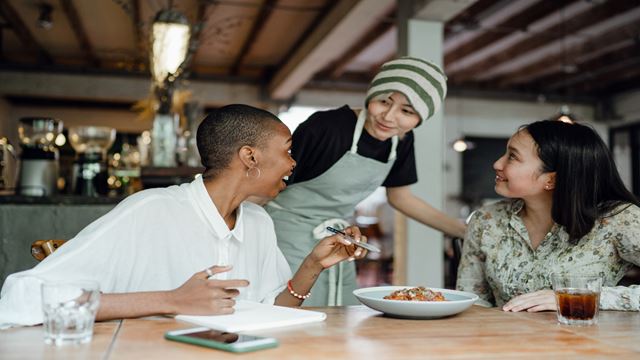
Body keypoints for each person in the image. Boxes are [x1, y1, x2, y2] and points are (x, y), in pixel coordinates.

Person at [0, 104, 367, 328]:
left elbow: (271, 313)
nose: (293, 163)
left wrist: (313, 266)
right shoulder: (151, 210)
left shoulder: (258, 222)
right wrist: (170, 300)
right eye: (288, 151)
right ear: (250, 157)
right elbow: (23, 296)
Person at [265, 57, 466, 306]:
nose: (389, 117)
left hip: (337, 237)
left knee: (339, 312)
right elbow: (268, 184)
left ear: (419, 119)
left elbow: (400, 198)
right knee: (290, 311)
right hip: (284, 235)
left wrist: (464, 232)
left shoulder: (401, 141)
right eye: (384, 101)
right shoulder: (326, 127)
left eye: (406, 111)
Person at [456, 120, 640, 312]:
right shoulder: (486, 220)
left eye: (512, 157)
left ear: (551, 179)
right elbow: (472, 301)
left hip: (585, 340)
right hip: (506, 340)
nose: (497, 164)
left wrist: (577, 298)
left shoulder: (618, 219)